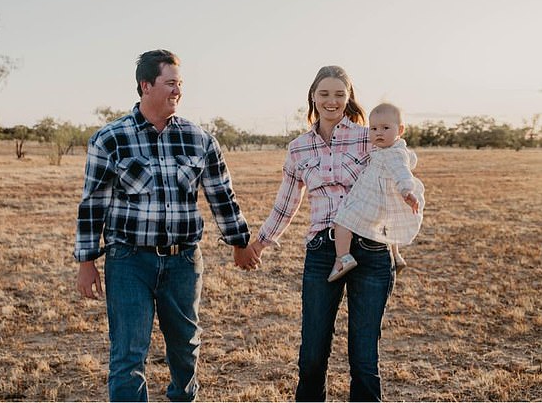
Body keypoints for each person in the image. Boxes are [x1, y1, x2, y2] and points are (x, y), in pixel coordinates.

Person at [74, 49, 259, 402]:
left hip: (183, 262)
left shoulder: (200, 139)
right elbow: (92, 204)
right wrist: (87, 262)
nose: (177, 91)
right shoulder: (110, 139)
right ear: (146, 85)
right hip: (129, 261)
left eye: (180, 84)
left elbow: (222, 196)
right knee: (128, 355)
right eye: (170, 83)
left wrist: (240, 242)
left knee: (185, 350)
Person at [240, 65, 394, 401]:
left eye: (340, 94)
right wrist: (260, 244)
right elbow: (286, 203)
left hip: (371, 250)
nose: (332, 100)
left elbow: (395, 173)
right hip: (323, 251)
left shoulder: (369, 137)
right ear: (312, 96)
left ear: (349, 98)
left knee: (364, 360)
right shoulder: (299, 148)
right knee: (311, 356)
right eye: (324, 93)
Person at [328, 103, 425, 282]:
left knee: (342, 221)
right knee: (388, 226)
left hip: (372, 200)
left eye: (385, 128)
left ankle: (343, 258)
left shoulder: (394, 154)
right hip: (382, 202)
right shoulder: (388, 149)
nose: (378, 133)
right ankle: (396, 256)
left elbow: (402, 173)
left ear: (400, 130)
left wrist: (407, 191)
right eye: (373, 128)